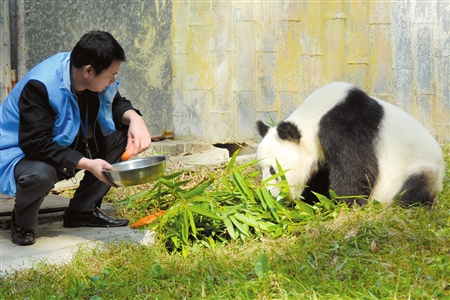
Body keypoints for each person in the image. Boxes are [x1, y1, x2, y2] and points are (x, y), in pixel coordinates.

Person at [0, 31, 151, 246]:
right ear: (89, 71)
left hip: (60, 144)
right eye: (111, 75)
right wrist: (88, 164)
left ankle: (82, 212)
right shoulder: (41, 85)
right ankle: (23, 224)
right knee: (40, 174)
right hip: (21, 154)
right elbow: (35, 144)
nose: (113, 80)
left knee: (119, 136)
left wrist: (135, 119)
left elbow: (115, 103)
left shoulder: (84, 74)